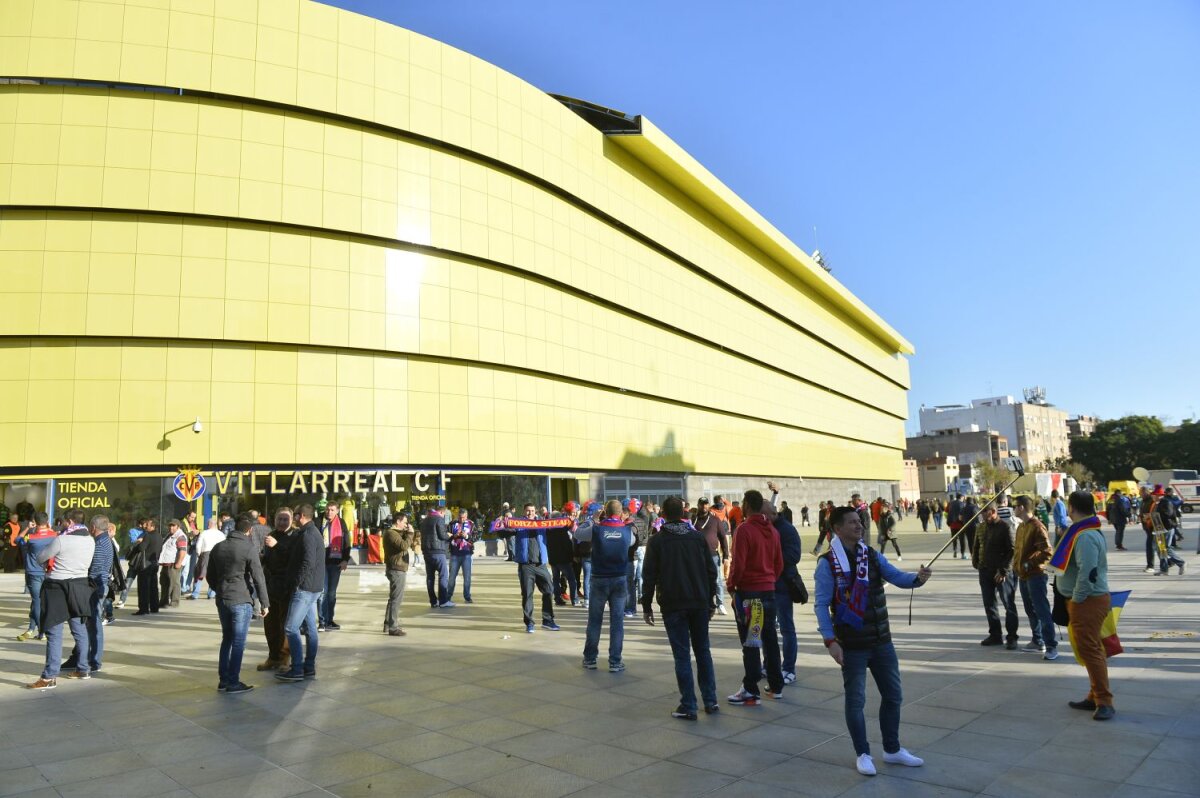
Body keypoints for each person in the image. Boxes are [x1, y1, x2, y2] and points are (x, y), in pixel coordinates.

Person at [814, 506, 931, 776]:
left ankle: (892, 749)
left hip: (881, 640)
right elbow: (821, 605)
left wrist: (917, 578)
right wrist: (830, 640)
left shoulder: (871, 555)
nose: (860, 526)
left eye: (860, 521)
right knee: (856, 701)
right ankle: (863, 753)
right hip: (851, 644)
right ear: (838, 528)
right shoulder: (827, 563)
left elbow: (897, 577)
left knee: (893, 695)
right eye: (853, 522)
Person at [642, 496, 719, 719]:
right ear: (684, 513)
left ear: (663, 514)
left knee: (682, 654)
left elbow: (649, 575)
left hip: (673, 603)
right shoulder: (696, 537)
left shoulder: (658, 541)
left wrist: (647, 605)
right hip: (698, 602)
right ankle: (710, 700)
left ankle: (689, 704)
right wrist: (711, 599)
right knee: (703, 651)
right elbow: (711, 572)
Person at [1052, 491, 1115, 720]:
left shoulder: (1085, 535)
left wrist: (1077, 598)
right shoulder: (1083, 530)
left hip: (1087, 601)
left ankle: (1104, 701)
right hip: (1085, 600)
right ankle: (1095, 695)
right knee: (1090, 650)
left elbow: (1088, 571)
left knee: (1091, 650)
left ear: (1070, 507)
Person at [725, 490, 784, 706]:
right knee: (769, 639)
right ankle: (776, 685)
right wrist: (769, 580)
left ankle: (751, 688)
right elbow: (779, 564)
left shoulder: (745, 530)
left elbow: (738, 564)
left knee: (751, 642)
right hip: (768, 591)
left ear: (748, 505)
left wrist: (732, 587)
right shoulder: (772, 531)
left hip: (750, 594)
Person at [27, 510, 96, 689]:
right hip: (80, 585)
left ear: (70, 522)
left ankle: (49, 677)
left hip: (57, 587)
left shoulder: (61, 540)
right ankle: (83, 668)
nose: (63, 524)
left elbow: (41, 557)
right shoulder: (90, 540)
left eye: (65, 522)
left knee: (53, 631)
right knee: (79, 629)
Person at [206, 514, 269, 693]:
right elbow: (258, 577)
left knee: (227, 639)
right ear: (249, 530)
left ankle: (224, 680)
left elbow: (210, 575)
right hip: (241, 599)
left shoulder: (218, 547)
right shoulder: (248, 548)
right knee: (239, 642)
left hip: (223, 598)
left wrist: (219, 589)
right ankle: (233, 682)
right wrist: (264, 603)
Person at [63, 515, 120, 675]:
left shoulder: (100, 543)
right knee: (85, 623)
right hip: (97, 586)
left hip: (95, 587)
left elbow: (93, 567)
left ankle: (94, 660)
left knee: (92, 624)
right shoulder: (103, 540)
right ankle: (79, 657)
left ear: (93, 528)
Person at [582, 500, 633, 673]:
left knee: (595, 620)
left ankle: (590, 658)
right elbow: (632, 542)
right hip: (619, 578)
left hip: (599, 579)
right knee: (617, 622)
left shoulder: (596, 529)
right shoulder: (627, 531)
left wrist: (593, 519)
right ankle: (615, 661)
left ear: (604, 512)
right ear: (620, 513)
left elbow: (577, 535)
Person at [277, 505, 323, 682]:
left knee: (290, 627)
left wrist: (297, 583)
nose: (293, 519)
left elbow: (308, 562)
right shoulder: (309, 532)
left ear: (302, 516)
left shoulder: (309, 535)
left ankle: (297, 669)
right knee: (311, 628)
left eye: (295, 515)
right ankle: (308, 667)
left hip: (305, 589)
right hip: (312, 588)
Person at [1012, 495, 1057, 659]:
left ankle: (1051, 645)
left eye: (1015, 506)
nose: (1013, 508)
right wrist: (1016, 566)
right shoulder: (1021, 527)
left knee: (1042, 610)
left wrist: (1028, 564)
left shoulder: (1037, 526)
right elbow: (1017, 550)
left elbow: (1047, 551)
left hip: (1035, 575)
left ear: (1022, 507)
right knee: (1030, 609)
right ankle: (1037, 640)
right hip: (1023, 576)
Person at [974, 504, 1019, 649]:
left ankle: (1012, 637)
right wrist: (976, 562)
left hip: (1001, 572)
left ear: (992, 512)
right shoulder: (982, 527)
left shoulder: (1005, 527)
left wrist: (1004, 570)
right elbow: (977, 546)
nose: (981, 514)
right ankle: (995, 634)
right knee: (989, 603)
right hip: (985, 570)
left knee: (1008, 604)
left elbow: (1012, 551)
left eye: (984, 511)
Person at [511, 502, 560, 633]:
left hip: (541, 565)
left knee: (549, 590)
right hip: (526, 565)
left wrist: (569, 522)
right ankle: (529, 623)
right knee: (527, 594)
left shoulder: (542, 523)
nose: (530, 513)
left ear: (536, 512)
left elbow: (557, 529)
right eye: (528, 511)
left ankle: (548, 620)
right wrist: (504, 523)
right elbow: (505, 532)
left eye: (532, 511)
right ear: (524, 512)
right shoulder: (519, 524)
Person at [258, 508, 296, 670]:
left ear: (291, 520)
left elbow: (295, 558)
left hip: (287, 587)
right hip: (270, 586)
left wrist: (278, 546)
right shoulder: (271, 535)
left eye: (285, 519)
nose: (282, 522)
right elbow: (267, 558)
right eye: (279, 519)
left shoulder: (296, 536)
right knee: (270, 625)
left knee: (285, 625)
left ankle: (283, 658)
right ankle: (273, 657)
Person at [15, 512, 56, 641]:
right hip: (49, 572)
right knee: (37, 602)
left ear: (35, 522)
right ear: (47, 522)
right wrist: (49, 528)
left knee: (37, 602)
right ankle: (31, 629)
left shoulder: (31, 537)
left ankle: (42, 631)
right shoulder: (54, 535)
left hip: (33, 573)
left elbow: (16, 540)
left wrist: (27, 528)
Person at [319, 503, 353, 629]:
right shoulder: (319, 522)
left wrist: (345, 559)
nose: (329, 512)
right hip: (321, 563)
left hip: (336, 562)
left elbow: (346, 542)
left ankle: (329, 620)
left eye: (332, 510)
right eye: (327, 509)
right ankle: (322, 621)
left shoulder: (341, 523)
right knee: (323, 593)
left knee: (331, 594)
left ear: (337, 511)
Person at [694, 498, 730, 615]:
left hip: (713, 555)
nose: (704, 507)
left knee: (717, 580)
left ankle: (720, 604)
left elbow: (723, 537)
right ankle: (703, 603)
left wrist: (726, 555)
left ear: (708, 505)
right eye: (702, 504)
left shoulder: (715, 520)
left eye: (706, 504)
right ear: (698, 505)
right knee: (699, 580)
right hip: (697, 556)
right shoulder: (693, 519)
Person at [382, 514, 417, 636]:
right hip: (396, 569)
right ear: (398, 521)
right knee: (397, 599)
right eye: (405, 522)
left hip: (398, 568)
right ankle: (393, 626)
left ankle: (388, 623)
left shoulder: (395, 533)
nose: (406, 525)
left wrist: (409, 534)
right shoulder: (391, 533)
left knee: (393, 598)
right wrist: (410, 534)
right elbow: (404, 546)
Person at [419, 504, 452, 609]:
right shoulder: (439, 519)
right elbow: (442, 535)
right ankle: (443, 601)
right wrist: (449, 535)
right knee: (443, 575)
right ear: (441, 512)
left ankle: (433, 601)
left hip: (426, 552)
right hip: (438, 551)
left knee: (430, 577)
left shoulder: (425, 520)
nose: (444, 516)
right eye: (444, 514)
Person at [547, 503, 578, 606]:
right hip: (563, 559)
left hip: (553, 559)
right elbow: (567, 545)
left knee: (555, 580)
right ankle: (574, 599)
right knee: (572, 580)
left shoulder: (548, 531)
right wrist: (571, 557)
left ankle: (557, 599)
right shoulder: (562, 530)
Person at [132, 518, 161, 616]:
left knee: (143, 587)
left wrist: (139, 541)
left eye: (147, 525)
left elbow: (141, 548)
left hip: (146, 564)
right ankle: (154, 607)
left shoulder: (148, 536)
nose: (145, 526)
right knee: (153, 586)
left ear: (153, 526)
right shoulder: (159, 536)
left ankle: (143, 609)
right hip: (155, 563)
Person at [190, 517, 225, 600]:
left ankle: (195, 594)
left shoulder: (204, 533)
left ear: (209, 525)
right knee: (214, 574)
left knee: (199, 574)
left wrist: (199, 554)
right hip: (218, 554)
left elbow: (198, 545)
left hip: (206, 554)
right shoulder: (221, 534)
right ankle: (212, 594)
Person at [447, 508, 476, 604]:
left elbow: (475, 537)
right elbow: (446, 535)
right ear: (457, 516)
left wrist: (467, 536)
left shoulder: (471, 524)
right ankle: (448, 596)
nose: (462, 519)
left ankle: (467, 596)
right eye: (460, 517)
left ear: (466, 516)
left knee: (467, 577)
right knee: (451, 577)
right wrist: (454, 536)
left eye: (463, 518)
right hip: (454, 554)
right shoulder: (452, 524)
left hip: (467, 554)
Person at [158, 519, 187, 608]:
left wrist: (178, 563)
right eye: (170, 525)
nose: (171, 527)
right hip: (166, 563)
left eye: (173, 526)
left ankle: (174, 602)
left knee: (174, 583)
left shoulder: (180, 536)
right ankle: (164, 602)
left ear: (178, 527)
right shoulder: (170, 535)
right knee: (164, 582)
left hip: (173, 564)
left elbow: (183, 551)